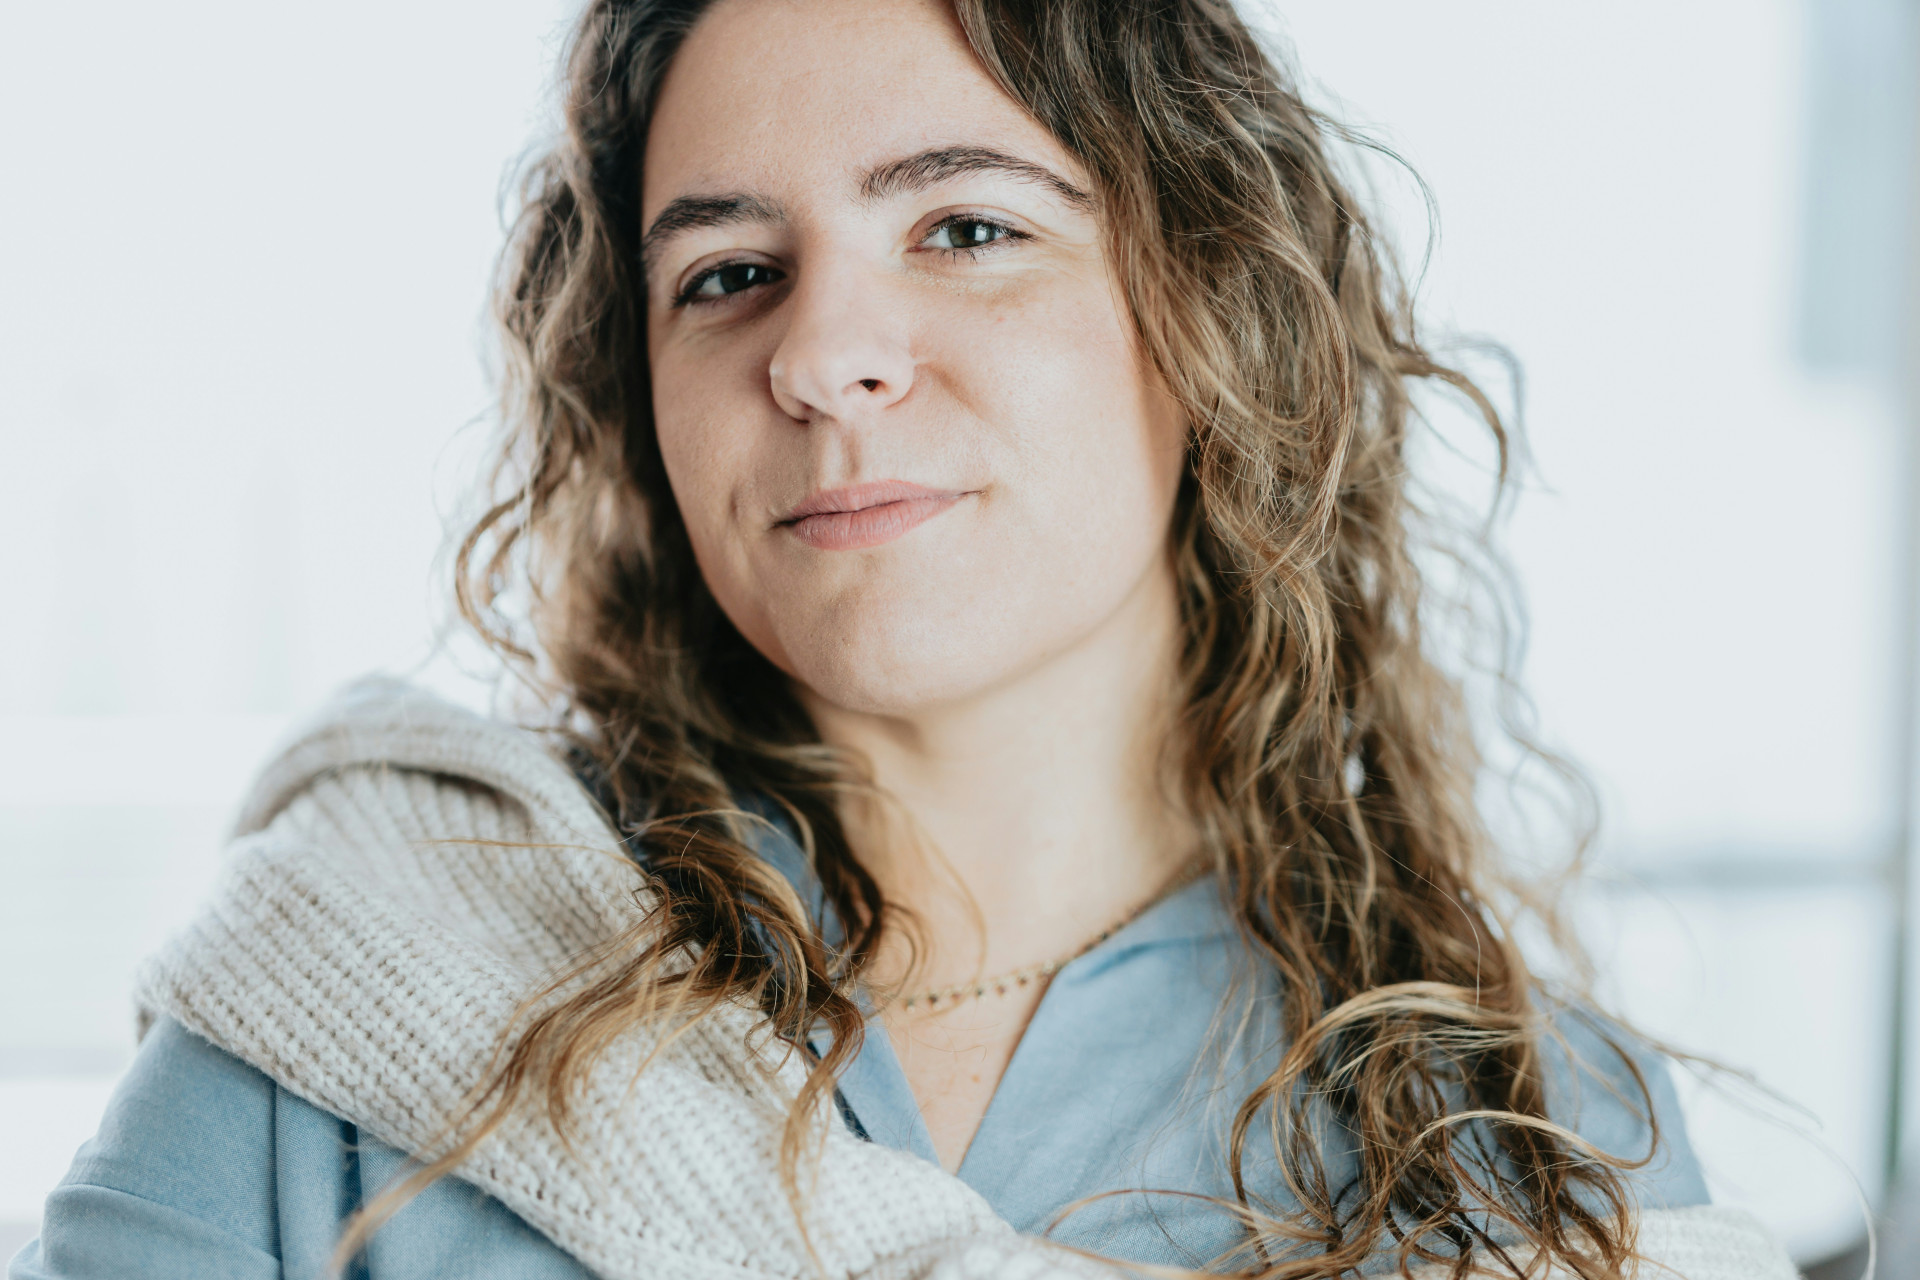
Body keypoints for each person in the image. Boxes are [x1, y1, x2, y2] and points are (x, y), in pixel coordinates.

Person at [11, 1, 1796, 1278]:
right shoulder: (359, 971)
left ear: (1213, 311)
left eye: (965, 227)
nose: (818, 356)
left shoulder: (1532, 1140)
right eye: (727, 273)